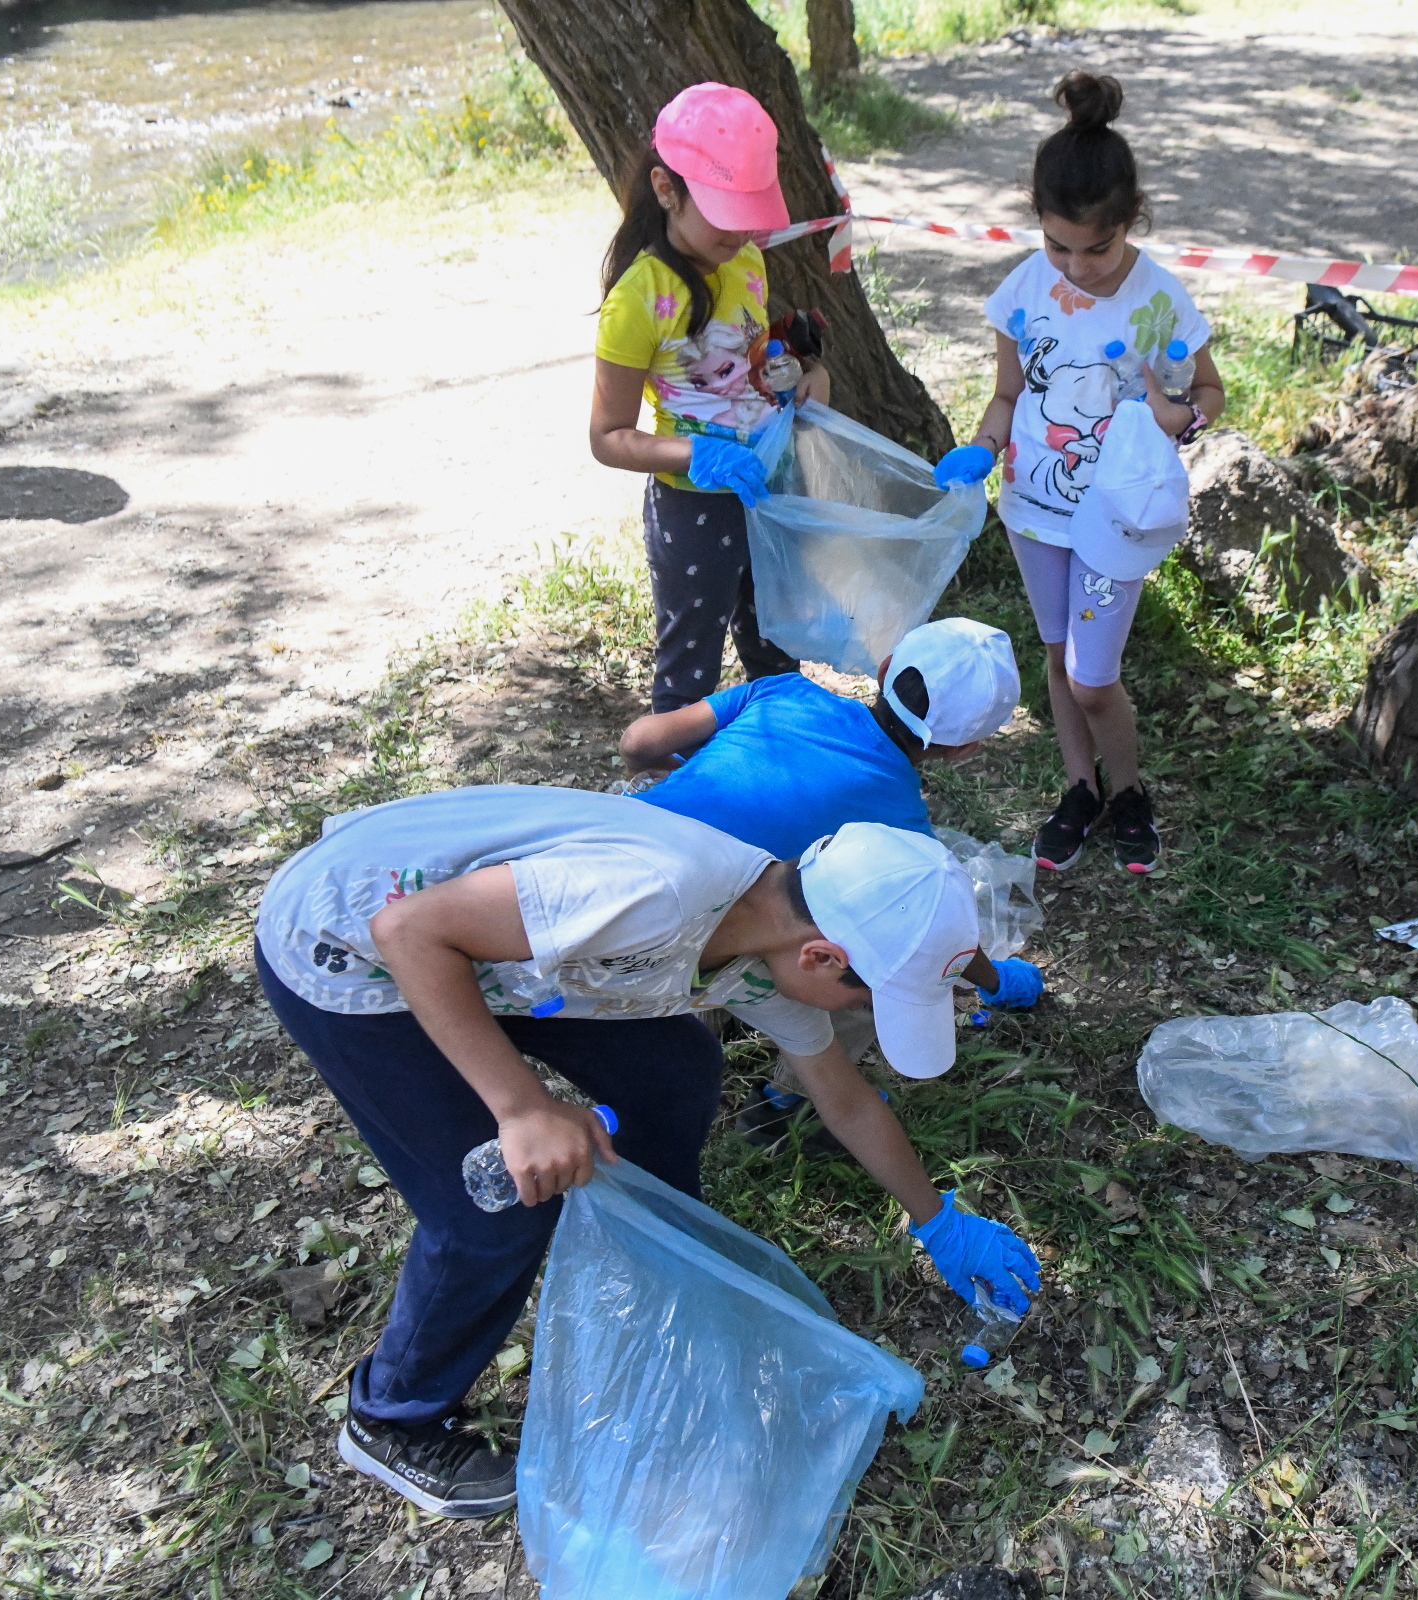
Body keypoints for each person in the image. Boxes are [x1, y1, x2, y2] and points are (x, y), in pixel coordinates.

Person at [254, 790, 1040, 1519]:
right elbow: (409, 931)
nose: (859, 1014)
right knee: (495, 1213)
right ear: (824, 958)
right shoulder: (657, 896)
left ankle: (655, 1254)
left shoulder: (761, 945)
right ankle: (394, 1417)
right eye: (866, 998)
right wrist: (523, 1108)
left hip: (498, 959)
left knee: (674, 1071)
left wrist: (937, 1220)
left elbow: (844, 1098)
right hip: (357, 951)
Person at [937, 72, 1227, 877]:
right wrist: (984, 448)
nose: (1076, 265)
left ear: (1130, 222)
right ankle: (1079, 789)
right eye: (1057, 244)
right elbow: (1005, 394)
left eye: (1095, 248)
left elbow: (1209, 392)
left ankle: (1129, 791)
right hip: (1032, 510)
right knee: (1059, 655)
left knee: (1093, 678)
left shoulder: (1158, 298)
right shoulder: (1023, 289)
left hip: (1115, 520)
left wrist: (1181, 418)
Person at [618, 618, 1046, 1137]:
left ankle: (696, 1026)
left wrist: (697, 778)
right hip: (702, 938)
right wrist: (996, 981)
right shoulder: (899, 826)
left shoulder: (782, 691)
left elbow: (638, 743)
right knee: (880, 957)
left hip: (627, 886)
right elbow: (933, 940)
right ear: (964, 749)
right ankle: (788, 1101)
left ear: (886, 668)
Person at [589, 81, 826, 715]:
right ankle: (671, 800)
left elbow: (754, 355)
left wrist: (799, 373)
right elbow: (607, 436)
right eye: (725, 212)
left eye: (751, 212)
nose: (743, 231)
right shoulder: (638, 300)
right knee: (688, 669)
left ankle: (779, 770)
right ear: (667, 190)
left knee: (776, 650)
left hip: (767, 491)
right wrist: (693, 454)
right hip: (694, 511)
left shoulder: (745, 258)